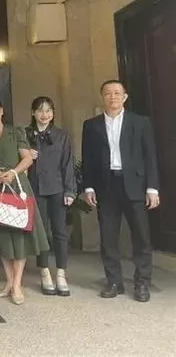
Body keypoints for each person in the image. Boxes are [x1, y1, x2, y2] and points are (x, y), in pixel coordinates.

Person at [82, 80, 160, 302]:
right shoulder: (92, 125)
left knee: (141, 237)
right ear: (102, 97)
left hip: (135, 185)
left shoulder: (140, 122)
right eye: (108, 93)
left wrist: (152, 188)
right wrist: (88, 186)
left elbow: (150, 156)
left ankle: (142, 283)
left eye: (117, 93)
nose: (113, 97)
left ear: (125, 97)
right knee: (108, 238)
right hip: (106, 186)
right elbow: (88, 158)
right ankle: (114, 282)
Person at [0, 96, 50, 305]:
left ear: (2, 110)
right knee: (1, 236)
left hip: (16, 187)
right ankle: (9, 282)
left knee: (18, 234)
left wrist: (13, 172)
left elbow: (27, 158)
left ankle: (17, 284)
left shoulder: (15, 132)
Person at [26, 96, 76, 297]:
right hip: (35, 188)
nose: (44, 114)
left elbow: (68, 163)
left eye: (48, 110)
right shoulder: (26, 134)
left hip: (57, 188)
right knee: (42, 233)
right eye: (40, 110)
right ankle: (44, 271)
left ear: (53, 113)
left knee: (60, 231)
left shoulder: (62, 135)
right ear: (33, 113)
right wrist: (26, 154)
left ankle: (61, 273)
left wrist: (70, 190)